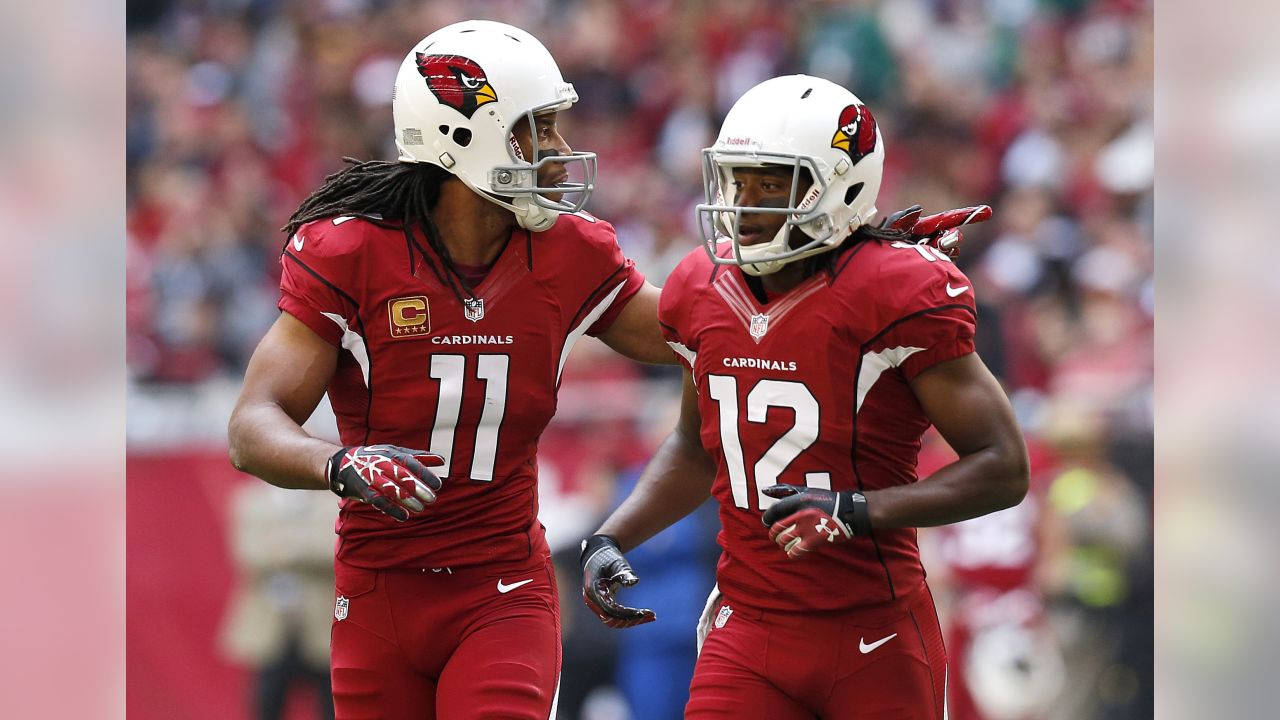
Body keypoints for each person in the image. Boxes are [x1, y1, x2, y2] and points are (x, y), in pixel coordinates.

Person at [226, 20, 672, 720]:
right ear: (467, 136)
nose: (557, 151)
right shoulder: (355, 254)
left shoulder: (567, 253)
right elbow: (251, 426)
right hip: (380, 591)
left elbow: (698, 332)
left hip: (502, 587)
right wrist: (341, 463)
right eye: (537, 130)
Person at [579, 74, 1030, 720]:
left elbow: (1003, 467)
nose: (745, 202)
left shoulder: (895, 291)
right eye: (739, 181)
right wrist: (612, 536)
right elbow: (696, 445)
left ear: (840, 188)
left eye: (772, 183)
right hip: (748, 633)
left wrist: (856, 509)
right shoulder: (701, 289)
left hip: (875, 634)